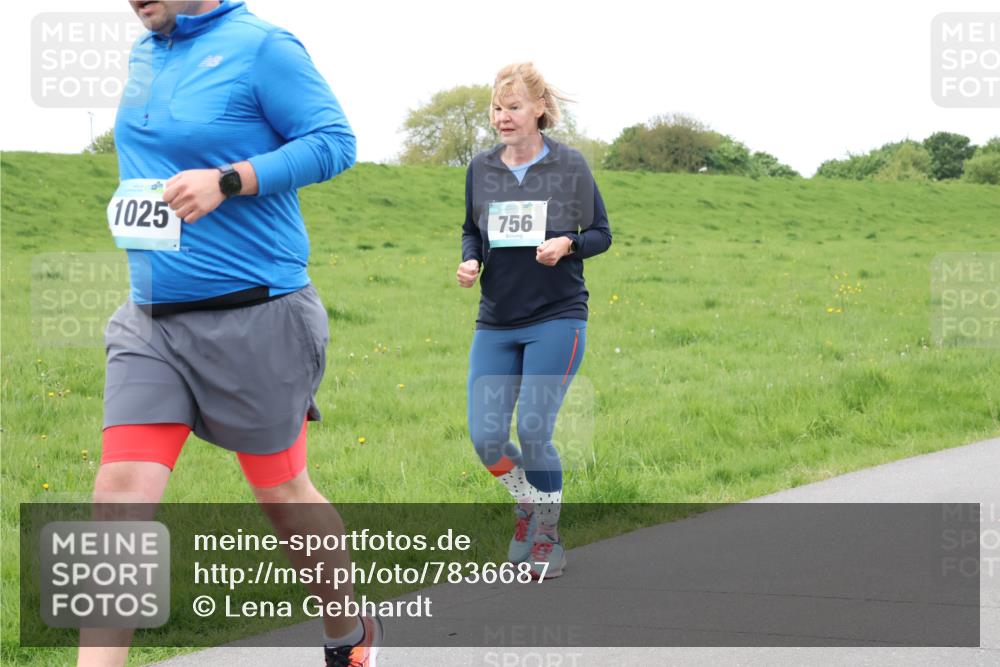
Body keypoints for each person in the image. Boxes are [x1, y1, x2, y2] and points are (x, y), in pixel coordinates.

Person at [79, 2, 379, 666]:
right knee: (118, 496)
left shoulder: (262, 46)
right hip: (151, 319)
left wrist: (229, 181)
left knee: (282, 494)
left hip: (258, 314)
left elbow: (335, 141)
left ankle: (347, 631)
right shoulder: (144, 53)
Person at [456, 62, 612, 579]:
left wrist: (568, 244)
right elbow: (471, 229)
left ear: (540, 109)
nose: (502, 117)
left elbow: (601, 233)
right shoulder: (481, 168)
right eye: (497, 108)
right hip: (496, 320)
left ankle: (547, 535)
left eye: (514, 107)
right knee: (486, 439)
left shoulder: (570, 166)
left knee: (533, 429)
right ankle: (527, 500)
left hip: (556, 317)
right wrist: (471, 260)